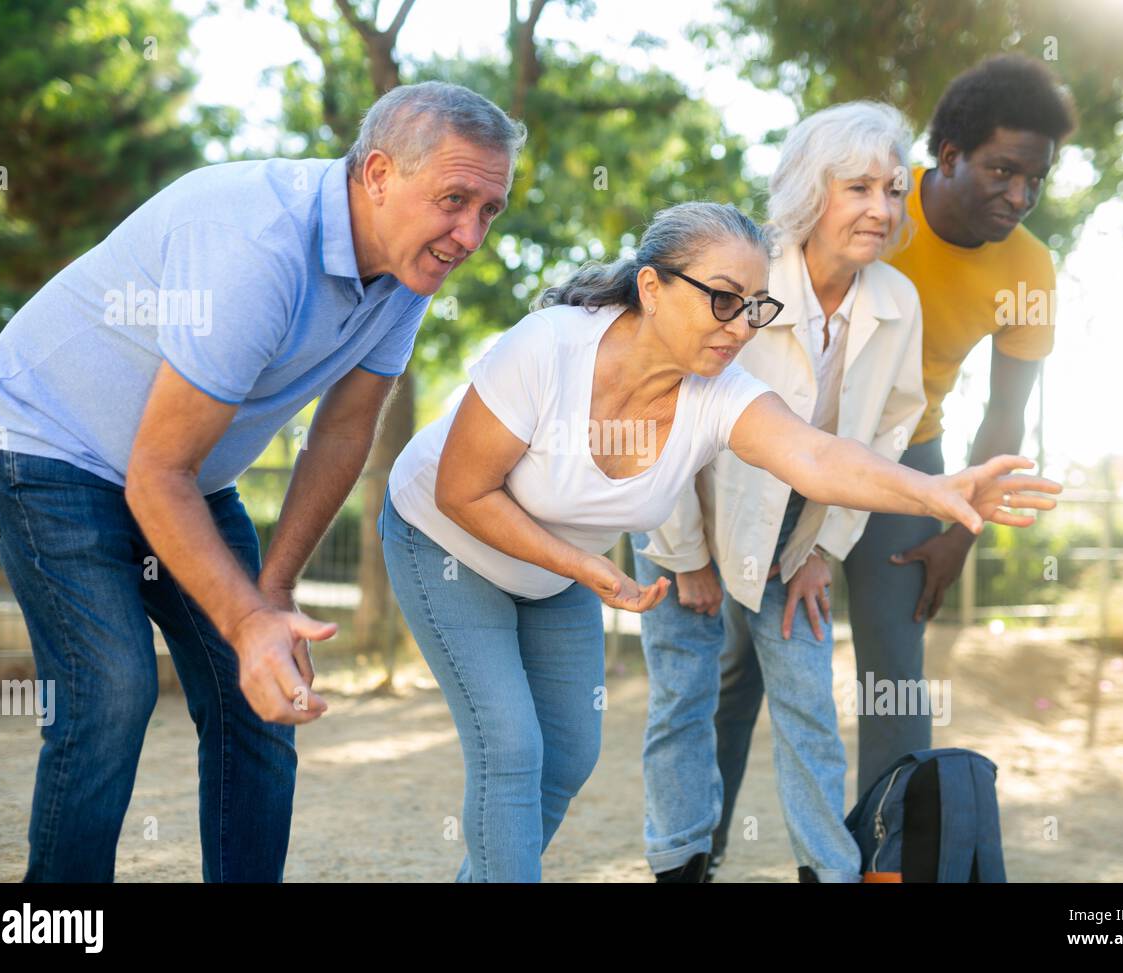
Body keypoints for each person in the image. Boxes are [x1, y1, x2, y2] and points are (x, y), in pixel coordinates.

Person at [379, 201, 1060, 882]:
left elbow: (817, 457)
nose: (741, 327)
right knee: (510, 747)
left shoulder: (718, 390)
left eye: (755, 307)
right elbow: (461, 491)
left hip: (557, 571)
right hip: (447, 541)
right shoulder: (551, 345)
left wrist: (937, 490)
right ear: (652, 287)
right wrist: (584, 565)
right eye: (724, 300)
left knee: (568, 754)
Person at [0, 81, 525, 882]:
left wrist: (275, 593)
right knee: (112, 692)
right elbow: (155, 473)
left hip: (187, 472)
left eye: (490, 210)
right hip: (50, 441)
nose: (470, 234)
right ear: (376, 174)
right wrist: (245, 618)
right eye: (454, 199)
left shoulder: (409, 269)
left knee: (264, 692)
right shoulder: (254, 247)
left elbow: (341, 430)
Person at [709, 53, 1078, 873]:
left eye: (1034, 180)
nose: (1018, 196)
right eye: (1001, 171)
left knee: (896, 676)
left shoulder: (1030, 270)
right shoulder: (871, 198)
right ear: (943, 157)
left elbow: (1005, 414)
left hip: (906, 454)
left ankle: (885, 861)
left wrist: (957, 530)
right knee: (739, 664)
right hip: (777, 437)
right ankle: (698, 849)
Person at [631, 102, 926, 883]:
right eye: (858, 186)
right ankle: (681, 866)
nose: (880, 207)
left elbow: (886, 437)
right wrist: (686, 556)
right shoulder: (744, 280)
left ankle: (829, 873)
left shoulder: (898, 302)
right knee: (683, 703)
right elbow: (662, 411)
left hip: (798, 527)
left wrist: (824, 548)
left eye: (893, 189)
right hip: (679, 510)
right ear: (808, 190)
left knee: (808, 707)